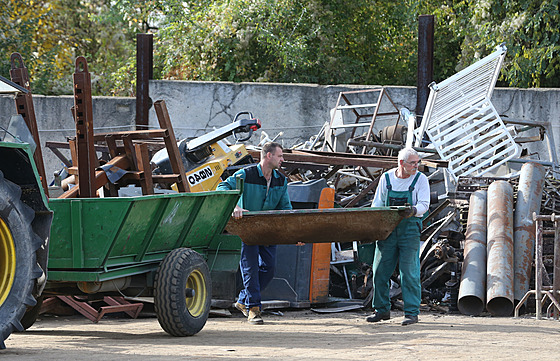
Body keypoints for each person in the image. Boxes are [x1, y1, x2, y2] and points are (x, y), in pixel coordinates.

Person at [217, 142, 292, 325]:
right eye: (280, 156)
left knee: (269, 269)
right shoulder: (246, 174)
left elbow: (286, 209)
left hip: (267, 230)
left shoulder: (280, 181)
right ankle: (254, 309)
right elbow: (222, 188)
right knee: (250, 268)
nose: (283, 159)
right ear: (268, 156)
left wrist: (294, 234)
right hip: (247, 229)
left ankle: (243, 300)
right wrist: (234, 206)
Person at [366, 147, 430, 326]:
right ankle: (381, 310)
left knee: (409, 272)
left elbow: (424, 204)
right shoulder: (386, 178)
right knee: (379, 271)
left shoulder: (420, 180)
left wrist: (414, 210)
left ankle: (411, 313)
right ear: (401, 163)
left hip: (409, 231)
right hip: (387, 231)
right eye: (412, 163)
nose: (416, 166)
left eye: (418, 163)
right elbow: (377, 205)